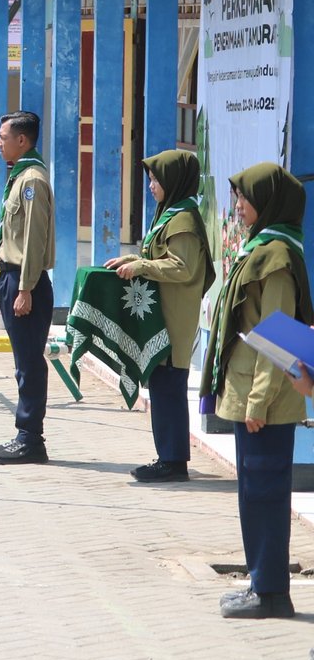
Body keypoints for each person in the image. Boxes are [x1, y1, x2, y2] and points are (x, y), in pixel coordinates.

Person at [200, 163, 311, 620]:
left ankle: (270, 592)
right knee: (253, 491)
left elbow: (278, 339)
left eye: (245, 198)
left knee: (265, 492)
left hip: (262, 400)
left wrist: (258, 402)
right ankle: (259, 583)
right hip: (248, 393)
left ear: (267, 201)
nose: (239, 207)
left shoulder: (278, 258)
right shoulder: (261, 249)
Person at [103, 150, 213, 483]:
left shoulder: (184, 220)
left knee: (169, 387)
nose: (151, 186)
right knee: (164, 386)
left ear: (175, 181)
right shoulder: (170, 213)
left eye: (156, 179)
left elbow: (183, 267)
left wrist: (142, 265)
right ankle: (168, 456)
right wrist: (134, 260)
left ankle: (173, 461)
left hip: (174, 317)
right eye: (150, 179)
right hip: (163, 313)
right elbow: (162, 257)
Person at [0, 111, 55, 466]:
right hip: (12, 277)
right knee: (23, 362)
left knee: (29, 363)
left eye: (3, 137)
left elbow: (34, 239)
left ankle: (30, 438)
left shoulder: (32, 180)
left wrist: (25, 288)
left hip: (25, 281)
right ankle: (25, 435)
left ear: (22, 140)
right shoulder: (20, 176)